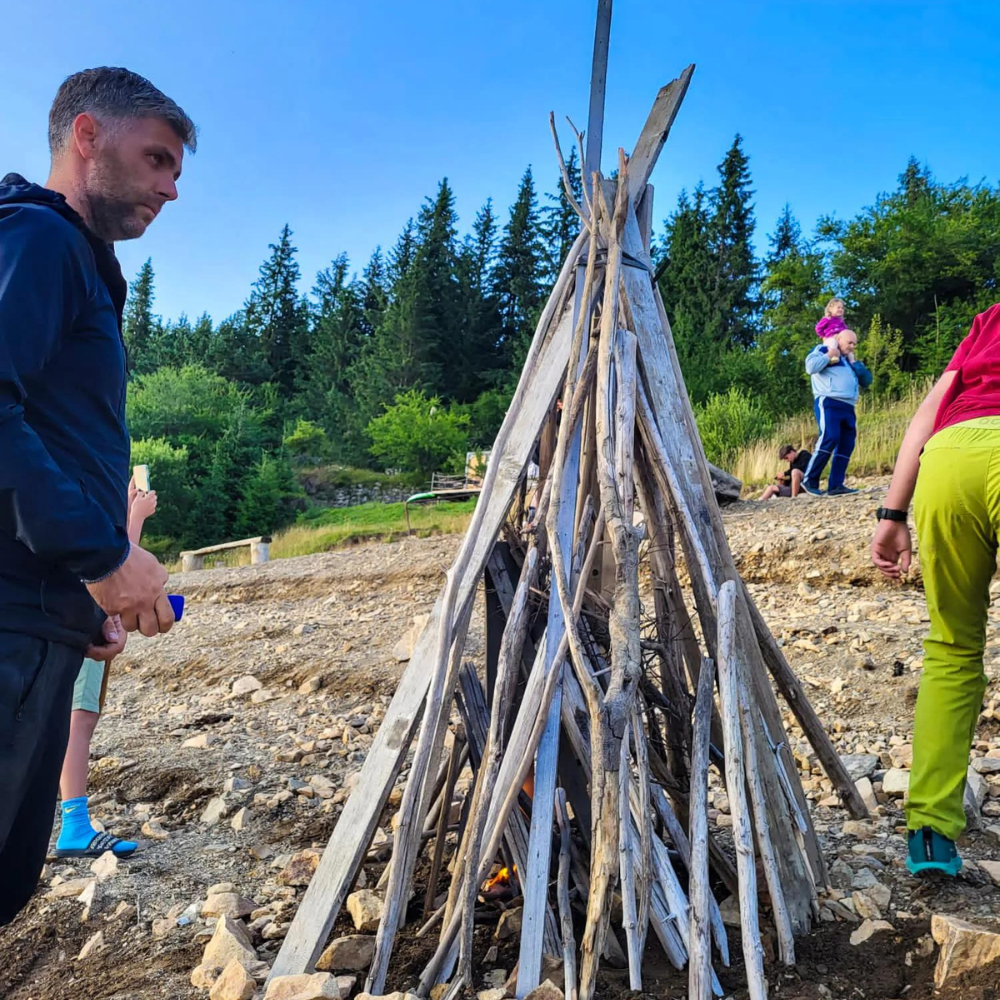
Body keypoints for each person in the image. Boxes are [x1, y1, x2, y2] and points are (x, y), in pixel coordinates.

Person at [0, 67, 194, 925]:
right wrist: (105, 557)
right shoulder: (38, 243)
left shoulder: (79, 266)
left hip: (40, 619)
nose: (171, 187)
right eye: (156, 159)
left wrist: (86, 595)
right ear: (86, 137)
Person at [872, 302, 1000, 877]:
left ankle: (929, 834)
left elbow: (927, 413)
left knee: (952, 647)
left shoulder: (991, 318)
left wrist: (892, 511)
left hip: (951, 456)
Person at [55, 482, 158, 859]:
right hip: (85, 622)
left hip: (65, 618)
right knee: (79, 722)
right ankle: (75, 825)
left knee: (68, 721)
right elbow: (117, 566)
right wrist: (136, 517)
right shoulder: (81, 493)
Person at [801, 328, 873, 496]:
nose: (852, 346)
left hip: (848, 406)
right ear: (838, 339)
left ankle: (836, 485)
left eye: (855, 344)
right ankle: (809, 480)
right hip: (829, 401)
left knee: (847, 443)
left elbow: (867, 381)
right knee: (830, 437)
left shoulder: (848, 361)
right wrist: (828, 355)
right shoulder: (823, 349)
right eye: (849, 342)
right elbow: (810, 367)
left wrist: (855, 363)